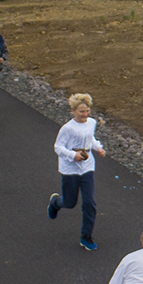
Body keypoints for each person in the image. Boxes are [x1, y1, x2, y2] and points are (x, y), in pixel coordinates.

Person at [48, 93, 105, 251]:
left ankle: (86, 236)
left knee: (89, 202)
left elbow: (90, 138)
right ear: (73, 111)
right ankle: (55, 203)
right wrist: (74, 156)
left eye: (87, 111)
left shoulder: (91, 123)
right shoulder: (67, 129)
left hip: (87, 167)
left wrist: (98, 147)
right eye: (81, 112)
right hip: (70, 169)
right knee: (70, 202)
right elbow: (58, 147)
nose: (85, 115)